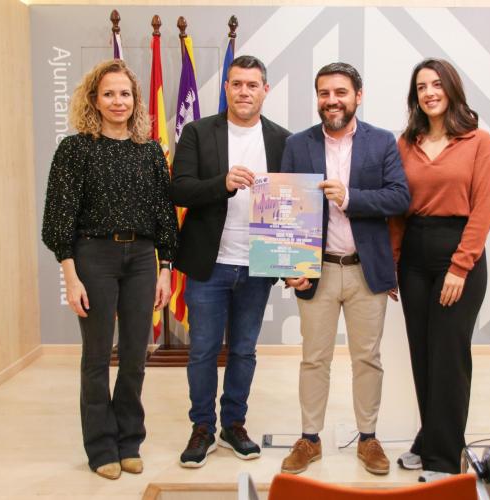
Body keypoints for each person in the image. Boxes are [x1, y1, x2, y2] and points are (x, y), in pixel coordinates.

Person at [41, 59, 179, 480]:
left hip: (141, 259)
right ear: (94, 100)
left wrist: (165, 268)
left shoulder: (150, 151)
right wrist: (71, 276)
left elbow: (164, 216)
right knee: (98, 356)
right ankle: (101, 447)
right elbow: (58, 219)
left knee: (136, 355)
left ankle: (129, 441)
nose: (118, 101)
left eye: (125, 94)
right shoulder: (75, 150)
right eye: (109, 94)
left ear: (135, 100)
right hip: (93, 258)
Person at [279, 62, 410, 476]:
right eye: (324, 93)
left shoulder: (382, 141)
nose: (332, 100)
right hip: (314, 269)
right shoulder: (297, 144)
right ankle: (310, 439)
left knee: (367, 358)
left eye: (340, 92)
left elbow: (399, 198)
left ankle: (368, 438)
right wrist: (289, 267)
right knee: (313, 359)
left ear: (358, 95)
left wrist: (350, 198)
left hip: (364, 271)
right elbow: (284, 206)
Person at [170, 55, 290, 468]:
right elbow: (179, 189)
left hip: (258, 265)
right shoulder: (198, 132)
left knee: (244, 351)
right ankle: (202, 427)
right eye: (236, 84)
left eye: (252, 85)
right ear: (226, 88)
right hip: (210, 263)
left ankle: (233, 424)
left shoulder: (282, 139)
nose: (244, 91)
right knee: (203, 351)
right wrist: (221, 183)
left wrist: (292, 265)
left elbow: (294, 205)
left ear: (265, 90)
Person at [389, 58, 490, 482]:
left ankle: (443, 460)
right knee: (423, 355)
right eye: (421, 87)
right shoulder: (406, 142)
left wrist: (460, 266)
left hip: (458, 254)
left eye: (436, 84)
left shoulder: (478, 141)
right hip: (414, 256)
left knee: (448, 356)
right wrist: (393, 262)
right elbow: (398, 210)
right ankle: (430, 439)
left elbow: (483, 210)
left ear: (451, 89)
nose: (429, 93)